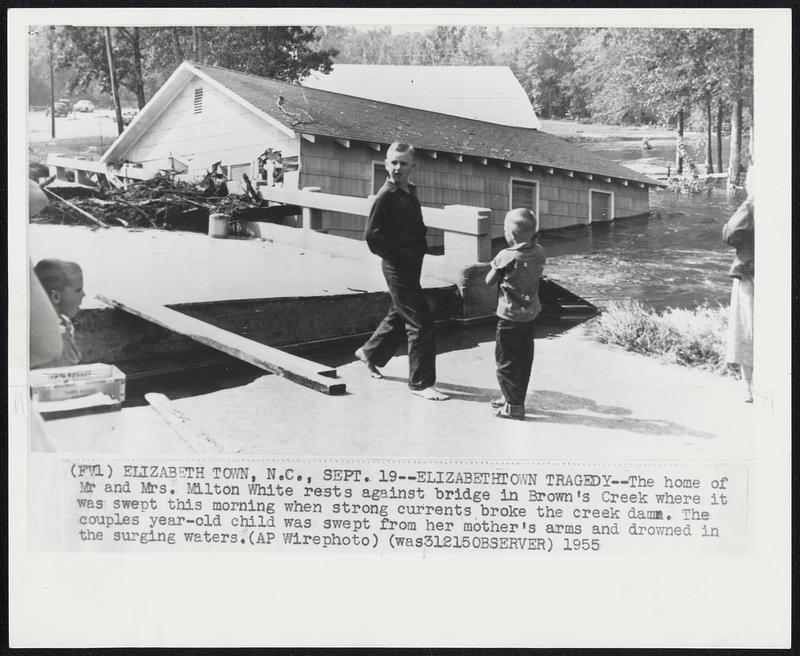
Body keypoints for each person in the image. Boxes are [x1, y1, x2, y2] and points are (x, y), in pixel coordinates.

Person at [355, 141, 448, 400]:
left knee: (400, 312)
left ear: (413, 167)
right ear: (386, 164)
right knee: (421, 322)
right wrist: (400, 255)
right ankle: (421, 383)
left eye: (403, 163)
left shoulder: (410, 191)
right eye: (393, 162)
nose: (397, 168)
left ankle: (369, 353)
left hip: (412, 264)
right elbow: (373, 236)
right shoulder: (385, 195)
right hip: (397, 266)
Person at [485, 208, 546, 420]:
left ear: (512, 234)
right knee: (522, 360)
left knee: (506, 362)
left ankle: (514, 407)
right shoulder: (539, 251)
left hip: (509, 318)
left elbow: (488, 281)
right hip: (529, 317)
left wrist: (497, 267)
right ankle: (510, 396)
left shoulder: (505, 255)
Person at [723, 166, 755, 402]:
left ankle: (749, 387)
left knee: (746, 327)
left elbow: (731, 233)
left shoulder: (753, 204)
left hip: (752, 273)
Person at [32, 258, 86, 369]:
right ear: (56, 297)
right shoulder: (47, 336)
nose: (84, 294)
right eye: (78, 290)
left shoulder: (65, 322)